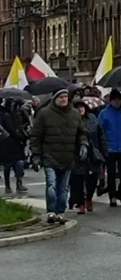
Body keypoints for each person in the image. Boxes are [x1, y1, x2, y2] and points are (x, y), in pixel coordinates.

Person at [30, 88, 86, 224]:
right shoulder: (44, 114)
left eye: (65, 97)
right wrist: (36, 154)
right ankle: (51, 211)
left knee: (63, 188)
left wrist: (84, 144)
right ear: (55, 98)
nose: (63, 99)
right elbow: (36, 135)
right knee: (51, 184)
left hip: (67, 157)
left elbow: (81, 133)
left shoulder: (74, 114)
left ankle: (60, 211)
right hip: (50, 155)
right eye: (60, 97)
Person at [69, 102, 106, 214]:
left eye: (82, 107)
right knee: (78, 180)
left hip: (92, 153)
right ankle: (81, 203)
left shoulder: (92, 119)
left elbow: (100, 135)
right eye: (78, 107)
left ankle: (89, 197)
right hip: (76, 154)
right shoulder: (71, 120)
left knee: (92, 179)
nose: (80, 109)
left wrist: (104, 151)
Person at [98, 88, 121, 207]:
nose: (117, 102)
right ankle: (112, 195)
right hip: (110, 147)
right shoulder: (104, 113)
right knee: (111, 174)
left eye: (119, 100)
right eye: (114, 100)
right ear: (110, 101)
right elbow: (100, 130)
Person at [1, 99, 29, 194]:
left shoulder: (18, 113)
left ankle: (19, 183)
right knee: (8, 165)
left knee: (19, 163)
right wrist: (22, 136)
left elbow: (24, 123)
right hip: (8, 142)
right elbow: (12, 129)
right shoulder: (5, 115)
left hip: (17, 143)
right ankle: (8, 185)